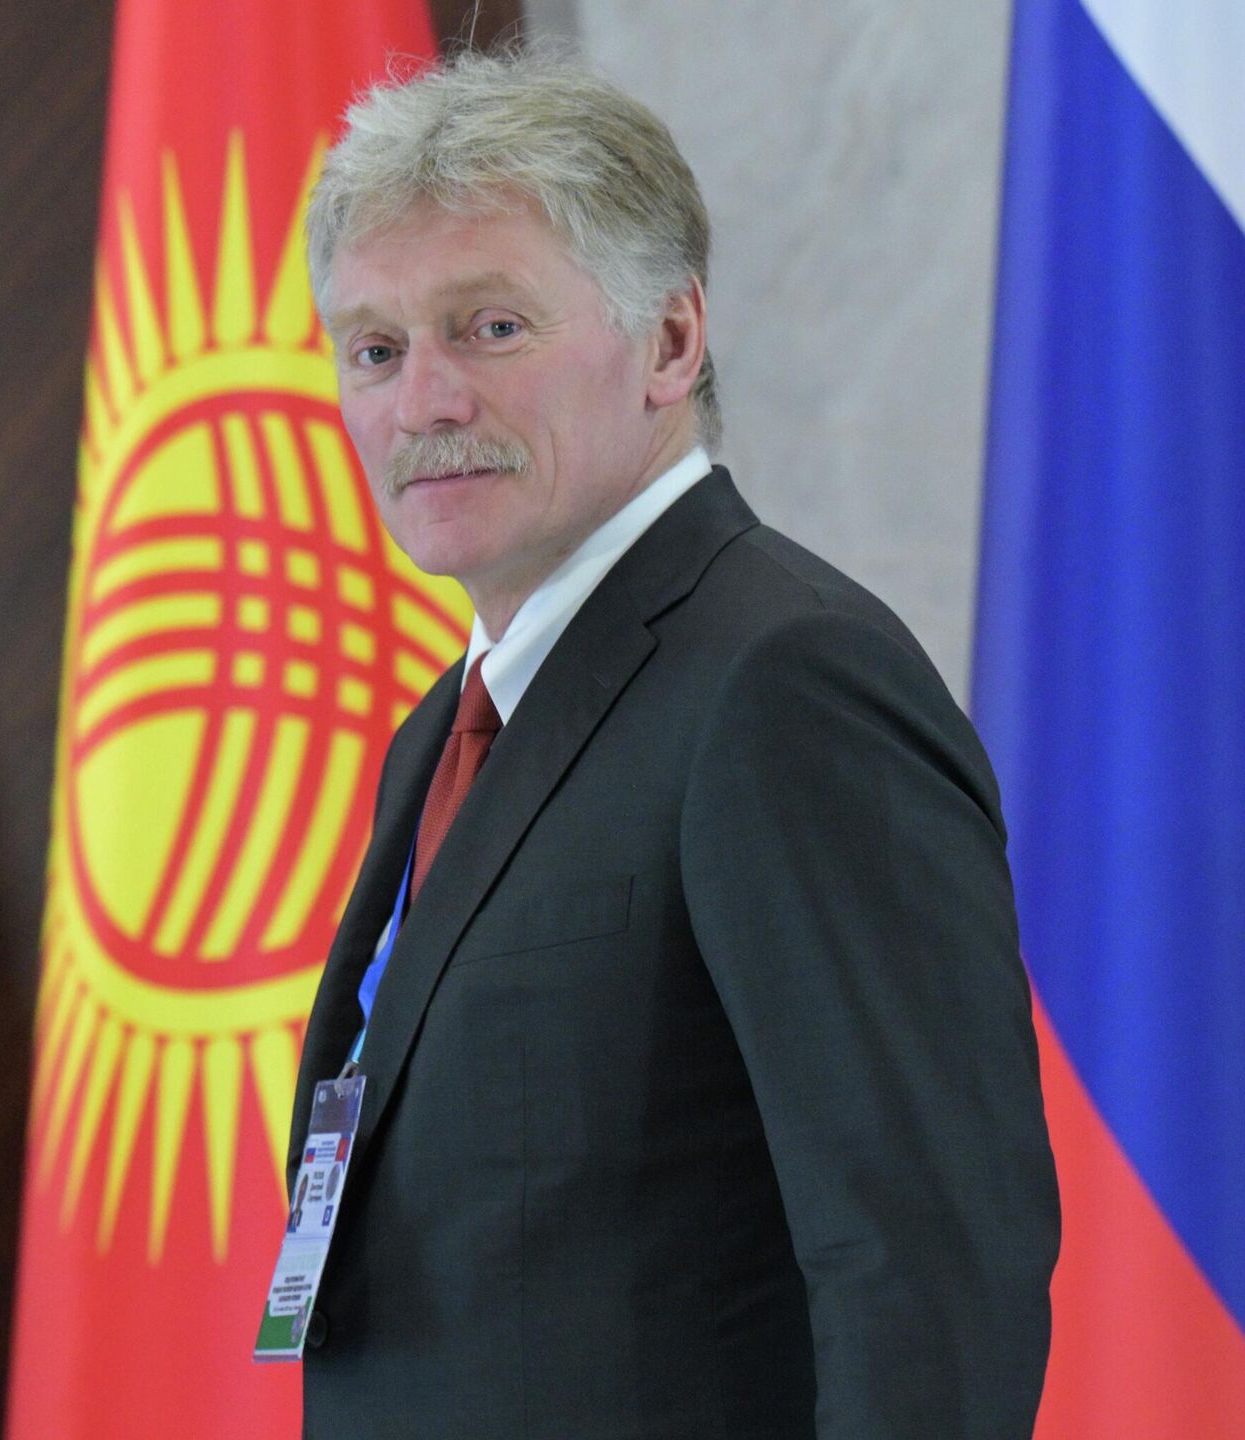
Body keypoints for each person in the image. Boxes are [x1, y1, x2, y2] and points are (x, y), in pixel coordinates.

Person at [282, 46, 1060, 1440]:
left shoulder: (787, 684)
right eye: (376, 349)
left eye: (491, 327)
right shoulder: (445, 732)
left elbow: (928, 1279)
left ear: (672, 342)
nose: (424, 401)